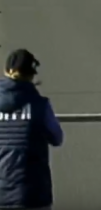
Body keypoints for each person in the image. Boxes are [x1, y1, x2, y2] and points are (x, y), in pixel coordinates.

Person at [0, 49, 63, 210]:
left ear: (7, 71)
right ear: (31, 76)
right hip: (33, 195)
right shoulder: (39, 105)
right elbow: (57, 138)